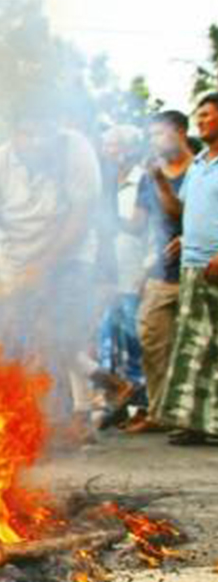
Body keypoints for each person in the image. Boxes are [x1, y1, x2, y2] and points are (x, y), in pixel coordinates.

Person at [0, 102, 103, 439]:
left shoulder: (76, 150)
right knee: (1, 339)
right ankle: (4, 424)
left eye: (47, 133)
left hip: (70, 256)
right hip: (14, 262)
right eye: (30, 133)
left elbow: (80, 218)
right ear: (13, 135)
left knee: (56, 332)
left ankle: (64, 422)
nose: (40, 142)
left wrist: (45, 267)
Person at [153, 93, 218, 446]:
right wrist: (162, 184)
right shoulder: (200, 164)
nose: (202, 120)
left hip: (216, 264)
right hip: (193, 265)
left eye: (208, 114)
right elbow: (183, 212)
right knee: (194, 346)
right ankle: (194, 422)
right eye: (200, 114)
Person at [130, 110, 192, 434]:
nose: (154, 141)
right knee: (151, 338)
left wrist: (159, 181)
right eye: (151, 135)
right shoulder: (147, 176)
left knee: (197, 348)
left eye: (159, 133)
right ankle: (159, 411)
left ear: (180, 131)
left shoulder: (201, 170)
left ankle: (193, 418)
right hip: (160, 272)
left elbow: (182, 215)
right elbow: (139, 225)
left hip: (198, 270)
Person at [93, 124, 147, 426]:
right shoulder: (107, 182)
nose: (107, 151)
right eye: (106, 146)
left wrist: (146, 272)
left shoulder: (144, 181)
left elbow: (144, 228)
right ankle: (116, 404)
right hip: (110, 273)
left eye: (113, 146)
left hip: (134, 271)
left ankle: (143, 408)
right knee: (109, 341)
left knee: (135, 340)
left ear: (129, 148)